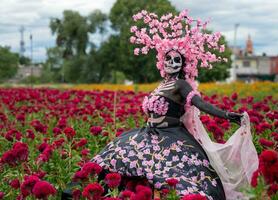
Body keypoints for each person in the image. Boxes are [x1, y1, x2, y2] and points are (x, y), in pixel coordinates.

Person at [62, 10, 258, 200]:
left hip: (171, 137)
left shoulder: (182, 84)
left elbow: (200, 104)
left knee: (173, 176)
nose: (171, 63)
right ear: (162, 61)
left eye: (177, 60)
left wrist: (225, 115)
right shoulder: (162, 85)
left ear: (183, 65)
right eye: (168, 59)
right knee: (114, 155)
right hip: (148, 134)